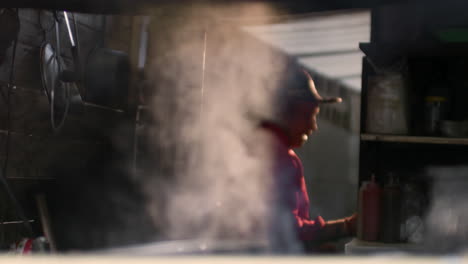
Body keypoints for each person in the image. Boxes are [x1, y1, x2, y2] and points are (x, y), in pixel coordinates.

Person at [260, 65, 357, 253]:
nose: (313, 126)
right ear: (284, 113)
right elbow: (289, 231)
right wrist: (347, 226)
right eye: (308, 116)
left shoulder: (262, 148)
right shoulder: (282, 159)